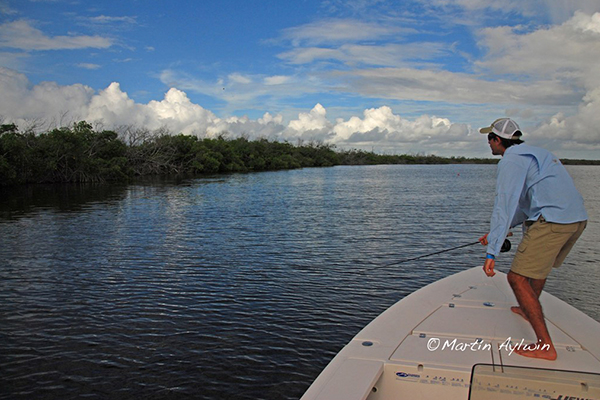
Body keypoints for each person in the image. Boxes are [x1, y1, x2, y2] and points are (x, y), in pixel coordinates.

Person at [478, 118, 587, 361]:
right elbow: (526, 205)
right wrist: (499, 232)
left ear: (497, 140)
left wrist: (491, 252)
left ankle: (545, 346)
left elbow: (504, 203)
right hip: (575, 219)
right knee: (537, 271)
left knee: (516, 278)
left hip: (553, 221)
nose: (488, 144)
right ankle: (529, 309)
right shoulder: (537, 153)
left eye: (489, 139)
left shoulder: (511, 160)